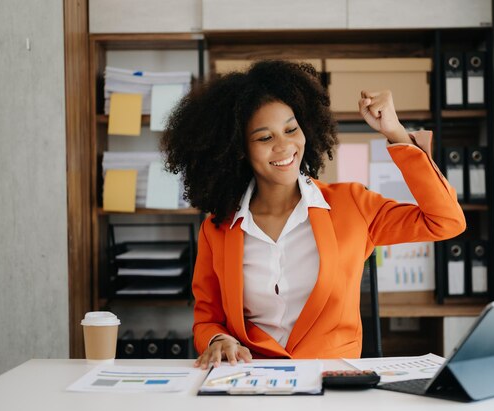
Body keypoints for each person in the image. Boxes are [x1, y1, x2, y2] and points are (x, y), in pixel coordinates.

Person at [161, 60, 466, 369]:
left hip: (331, 380)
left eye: (291, 129)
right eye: (265, 138)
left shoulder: (351, 204)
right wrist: (219, 339)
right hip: (252, 377)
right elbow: (207, 318)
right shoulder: (218, 229)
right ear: (239, 149)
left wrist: (396, 133)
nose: (284, 146)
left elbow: (445, 221)